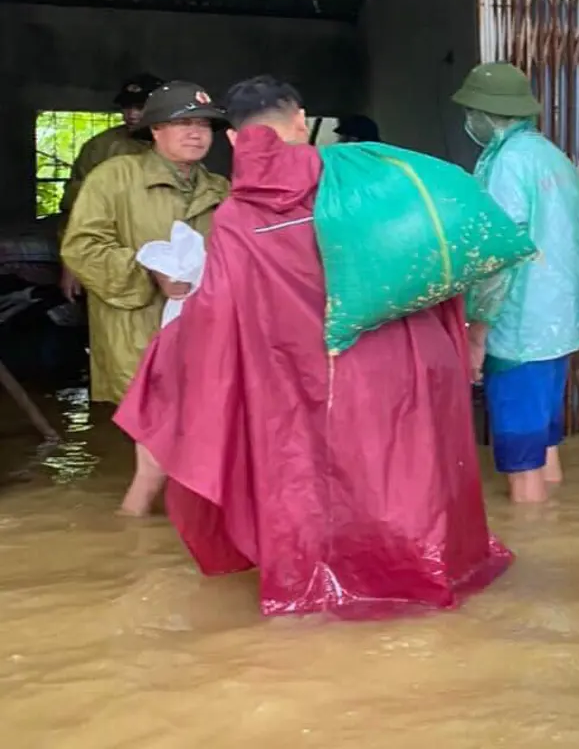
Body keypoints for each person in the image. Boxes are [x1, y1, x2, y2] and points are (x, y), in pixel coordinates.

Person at [114, 75, 512, 616]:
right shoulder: (358, 182)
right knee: (401, 475)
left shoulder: (235, 217)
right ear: (300, 122)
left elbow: (215, 315)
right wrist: (466, 335)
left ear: (233, 140)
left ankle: (322, 592)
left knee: (307, 481)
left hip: (301, 379)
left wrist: (163, 363)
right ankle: (423, 578)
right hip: (393, 365)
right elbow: (437, 252)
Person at [453, 62, 579, 503]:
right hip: (555, 322)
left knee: (521, 462)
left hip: (520, 326)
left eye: (472, 112)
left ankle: (533, 552)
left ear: (486, 114)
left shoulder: (507, 163)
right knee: (545, 448)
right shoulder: (548, 153)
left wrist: (478, 330)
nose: (469, 121)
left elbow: (499, 253)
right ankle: (553, 536)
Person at [61, 80, 228, 410]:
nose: (196, 133)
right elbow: (83, 246)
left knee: (198, 426)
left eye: (203, 124)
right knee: (147, 426)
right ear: (155, 130)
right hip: (135, 331)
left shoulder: (220, 188)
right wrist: (149, 272)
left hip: (202, 331)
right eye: (183, 122)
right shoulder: (114, 177)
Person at [58, 72, 163, 299]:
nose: (132, 114)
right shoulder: (101, 147)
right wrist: (71, 264)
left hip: (166, 259)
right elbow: (75, 211)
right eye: (127, 107)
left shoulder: (179, 145)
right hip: (112, 257)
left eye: (140, 106)